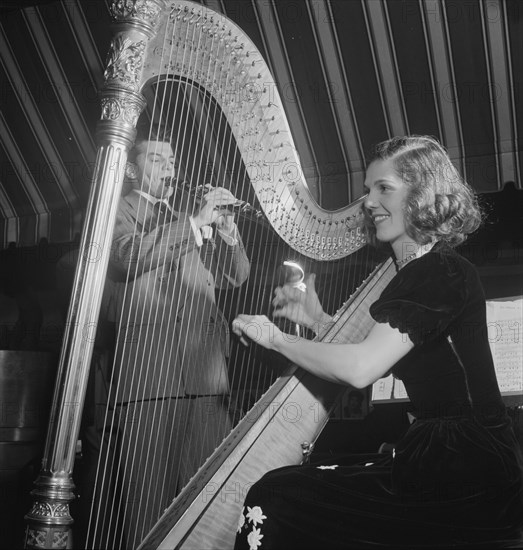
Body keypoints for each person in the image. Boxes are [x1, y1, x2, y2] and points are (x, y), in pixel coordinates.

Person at [232, 135, 523, 549]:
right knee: (285, 492)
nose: (368, 202)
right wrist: (316, 320)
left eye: (384, 188)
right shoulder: (424, 271)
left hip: (465, 468)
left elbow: (362, 368)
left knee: (274, 497)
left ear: (423, 195)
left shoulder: (439, 271)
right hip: (454, 457)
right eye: (368, 189)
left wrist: (275, 338)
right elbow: (398, 351)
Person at [69, 121, 250, 549]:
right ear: (131, 170)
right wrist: (194, 223)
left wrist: (226, 233)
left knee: (216, 501)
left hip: (206, 376)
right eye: (156, 159)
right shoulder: (115, 208)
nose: (168, 167)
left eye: (171, 160)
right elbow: (129, 256)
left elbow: (233, 277)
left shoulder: (183, 217)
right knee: (149, 507)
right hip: (152, 376)